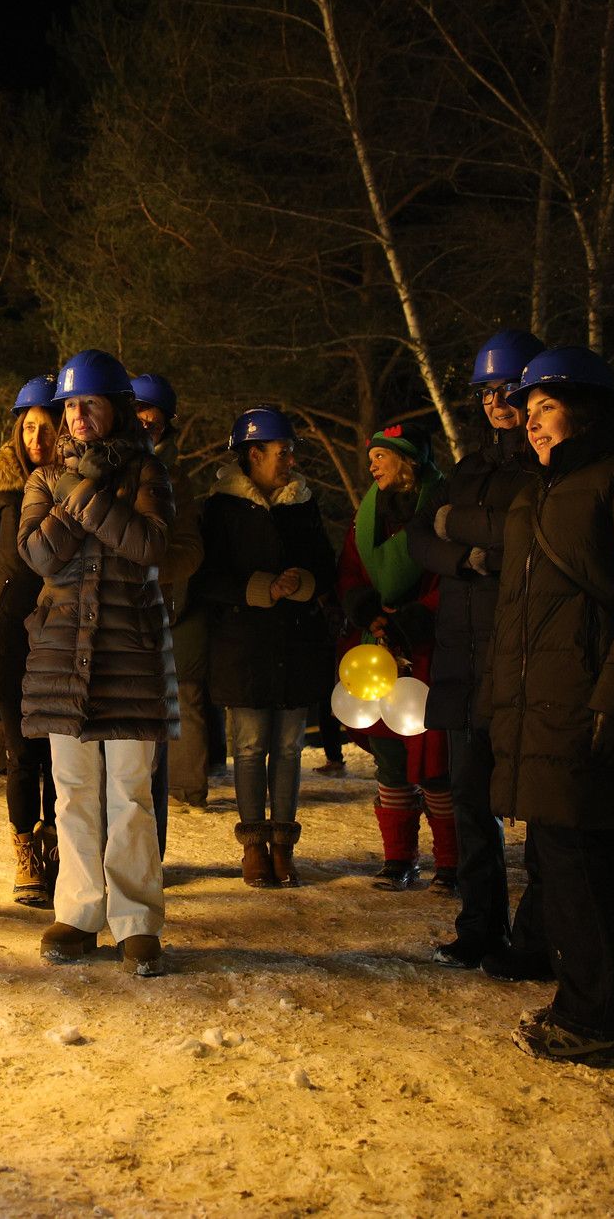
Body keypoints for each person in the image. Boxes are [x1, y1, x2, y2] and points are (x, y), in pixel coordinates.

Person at [482, 346, 614, 1065]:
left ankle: (600, 1019)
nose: (531, 424)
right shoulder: (540, 487)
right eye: (527, 412)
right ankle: (592, 1002)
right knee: (564, 858)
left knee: (582, 857)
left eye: (546, 408)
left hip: (587, 701)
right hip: (540, 705)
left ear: (587, 404)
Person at [20, 349, 175, 977]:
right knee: (74, 792)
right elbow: (38, 556)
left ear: (115, 408)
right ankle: (80, 911)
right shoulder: (39, 480)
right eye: (70, 406)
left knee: (131, 793)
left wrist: (77, 494)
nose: (78, 416)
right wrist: (77, 499)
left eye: (90, 404)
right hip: (62, 655)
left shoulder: (145, 471)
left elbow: (147, 546)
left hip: (131, 653)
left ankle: (136, 917)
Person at [407, 330, 545, 971]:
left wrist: (456, 530)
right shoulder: (470, 469)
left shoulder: (546, 465)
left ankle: (537, 934)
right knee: (469, 798)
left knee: (539, 805)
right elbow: (418, 539)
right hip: (464, 655)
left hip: (520, 656)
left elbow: (529, 536)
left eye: (507, 389)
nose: (496, 402)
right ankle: (479, 926)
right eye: (488, 392)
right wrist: (467, 555)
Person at [195, 407, 336, 888]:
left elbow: (325, 566)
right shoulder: (220, 508)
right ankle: (254, 847)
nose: (290, 460)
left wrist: (304, 582)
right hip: (245, 648)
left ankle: (284, 847)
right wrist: (260, 589)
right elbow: (206, 578)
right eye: (282, 452)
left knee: (291, 748)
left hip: (295, 645)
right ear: (254, 455)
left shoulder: (303, 503)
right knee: (252, 748)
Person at [337, 424, 458, 891]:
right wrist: (366, 608)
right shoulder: (366, 517)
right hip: (377, 649)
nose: (372, 465)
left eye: (381, 456)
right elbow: (349, 570)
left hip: (429, 650)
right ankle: (399, 860)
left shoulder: (441, 509)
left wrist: (415, 618)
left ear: (408, 461)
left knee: (436, 764)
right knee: (389, 755)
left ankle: (449, 863)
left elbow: (451, 578)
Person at [0, 374, 60, 906]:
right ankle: (27, 852)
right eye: (28, 429)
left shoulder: (76, 482)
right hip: (8, 633)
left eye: (46, 428)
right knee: (23, 752)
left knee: (64, 751)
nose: (37, 440)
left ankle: (60, 847)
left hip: (63, 630)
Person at [132, 373, 208, 854]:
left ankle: (151, 856)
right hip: (105, 622)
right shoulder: (99, 467)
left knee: (152, 749)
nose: (146, 429)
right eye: (140, 419)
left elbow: (190, 549)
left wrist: (153, 565)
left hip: (156, 617)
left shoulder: (175, 480)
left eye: (155, 425)